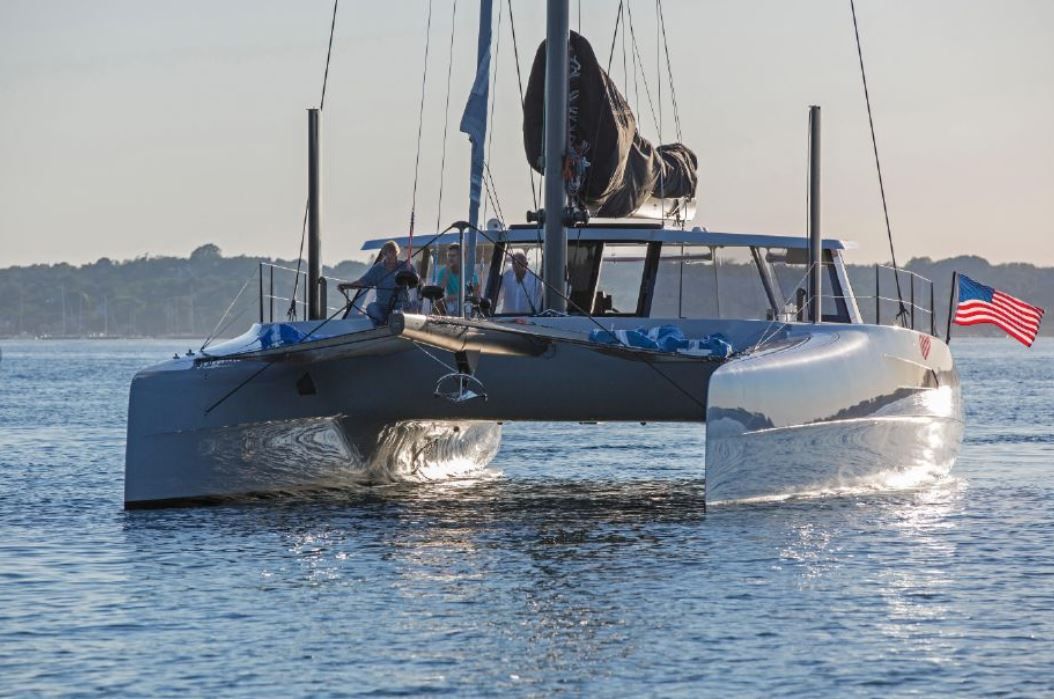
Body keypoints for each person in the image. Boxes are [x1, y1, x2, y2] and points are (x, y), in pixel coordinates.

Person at [343, 240, 413, 326]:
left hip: (401, 305)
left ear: (396, 252)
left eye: (392, 252)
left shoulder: (406, 266)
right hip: (382, 307)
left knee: (412, 306)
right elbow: (363, 282)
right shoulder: (377, 269)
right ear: (383, 254)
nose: (390, 255)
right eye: (387, 253)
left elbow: (417, 281)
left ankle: (392, 323)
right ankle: (383, 325)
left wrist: (411, 278)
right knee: (371, 308)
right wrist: (346, 286)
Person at [435, 243, 478, 316]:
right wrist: (447, 272)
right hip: (449, 306)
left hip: (466, 307)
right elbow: (438, 293)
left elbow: (475, 294)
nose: (450, 258)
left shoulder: (470, 272)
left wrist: (454, 297)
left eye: (453, 256)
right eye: (449, 256)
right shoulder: (443, 272)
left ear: (461, 257)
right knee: (438, 304)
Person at [498, 250, 543, 315]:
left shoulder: (535, 281)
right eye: (513, 263)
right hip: (506, 319)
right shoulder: (506, 277)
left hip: (527, 320)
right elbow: (499, 297)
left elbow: (537, 305)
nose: (515, 265)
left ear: (526, 264)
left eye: (518, 263)